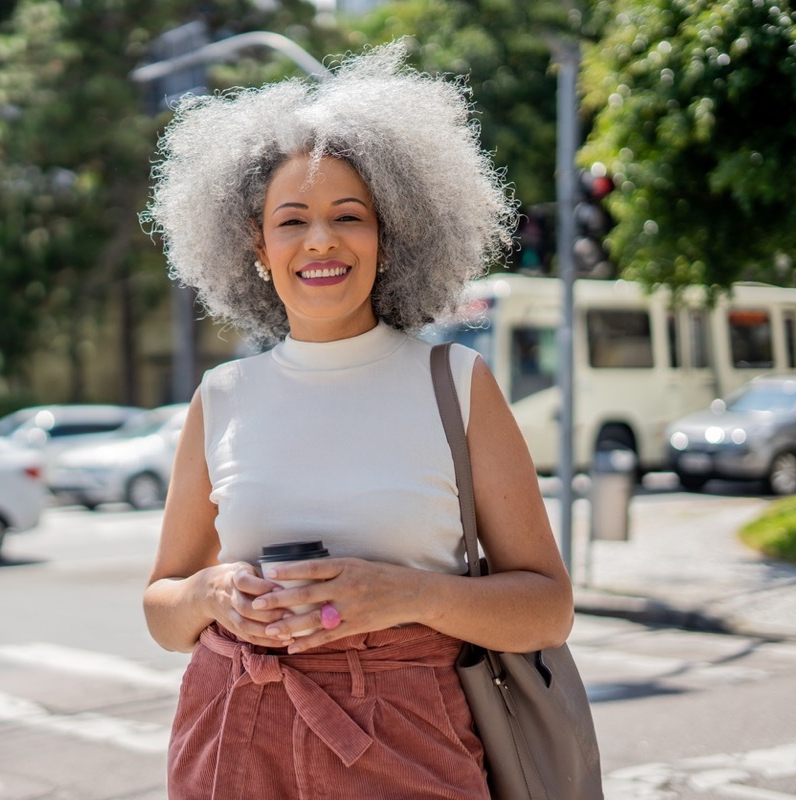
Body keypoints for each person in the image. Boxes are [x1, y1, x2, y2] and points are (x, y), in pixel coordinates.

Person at [140, 44, 573, 799]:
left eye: (349, 216)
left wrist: (407, 596)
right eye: (292, 220)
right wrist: (213, 595)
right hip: (234, 730)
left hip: (412, 735)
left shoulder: (458, 383)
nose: (320, 241)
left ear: (390, 233)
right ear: (257, 245)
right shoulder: (221, 395)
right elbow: (163, 609)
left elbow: (547, 608)